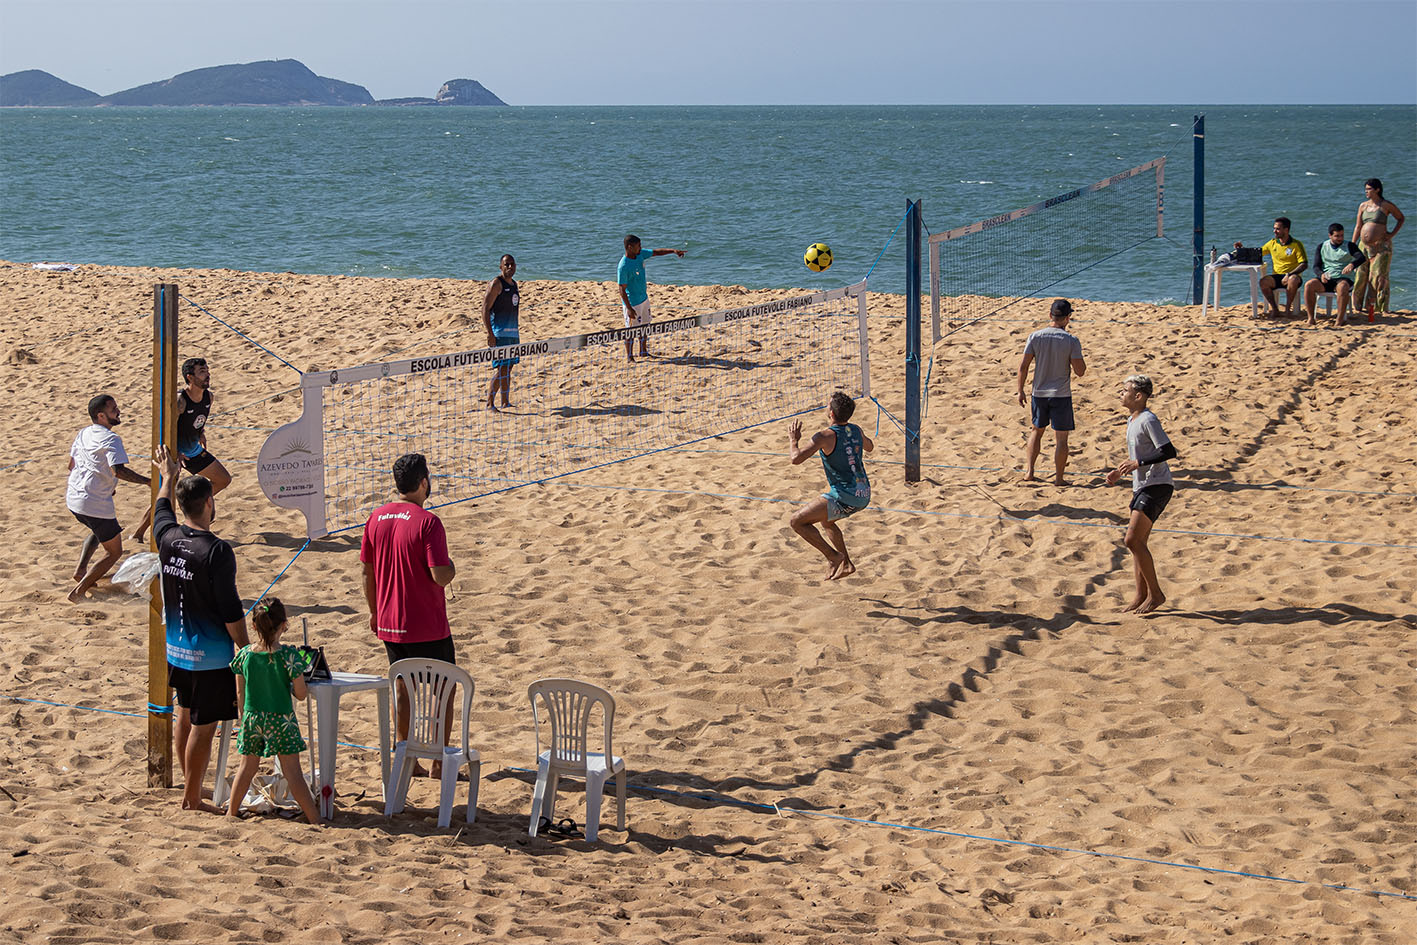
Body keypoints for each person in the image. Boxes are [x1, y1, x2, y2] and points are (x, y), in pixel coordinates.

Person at [152, 443, 248, 813]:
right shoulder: (217, 550)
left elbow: (161, 507)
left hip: (176, 648)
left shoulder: (168, 537)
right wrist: (244, 646)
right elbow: (229, 609)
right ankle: (192, 796)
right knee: (203, 727)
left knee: (184, 714)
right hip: (208, 655)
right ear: (209, 503)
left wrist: (167, 478)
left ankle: (190, 782)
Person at [360, 453, 457, 774]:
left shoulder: (376, 518)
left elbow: (366, 573)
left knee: (404, 689)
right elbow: (439, 575)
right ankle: (440, 763)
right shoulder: (428, 522)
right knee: (444, 690)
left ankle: (406, 757)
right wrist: (452, 568)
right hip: (427, 625)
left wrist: (374, 613)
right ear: (424, 483)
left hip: (389, 623)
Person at [227, 596, 321, 824]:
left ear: (253, 626)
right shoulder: (289, 656)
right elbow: (300, 693)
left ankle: (231, 812)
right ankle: (315, 818)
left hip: (251, 716)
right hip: (281, 718)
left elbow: (241, 693)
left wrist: (243, 719)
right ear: (283, 625)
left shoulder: (244, 655)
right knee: (293, 772)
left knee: (247, 767)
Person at [66, 394, 151, 602]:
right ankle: (78, 591)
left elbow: (71, 465)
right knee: (113, 552)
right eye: (114, 409)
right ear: (101, 416)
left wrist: (101, 484)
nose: (119, 411)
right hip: (93, 503)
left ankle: (81, 569)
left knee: (99, 532)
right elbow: (118, 471)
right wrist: (148, 482)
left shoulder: (84, 433)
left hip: (73, 498)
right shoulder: (112, 439)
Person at [1104, 375, 1178, 615]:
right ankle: (1141, 595)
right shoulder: (1132, 420)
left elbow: (1168, 451)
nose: (1121, 394)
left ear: (1139, 396)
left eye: (1125, 390)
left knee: (1131, 540)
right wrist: (1120, 472)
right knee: (1138, 543)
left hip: (1157, 485)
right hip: (1142, 485)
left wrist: (1139, 463)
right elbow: (1138, 456)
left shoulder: (1148, 419)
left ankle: (1156, 594)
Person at [787, 391, 874, 581]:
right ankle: (847, 564)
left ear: (832, 414)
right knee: (827, 520)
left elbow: (795, 459)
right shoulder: (856, 429)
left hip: (845, 496)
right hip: (864, 494)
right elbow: (870, 447)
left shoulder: (824, 437)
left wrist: (794, 440)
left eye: (828, 406)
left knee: (797, 522)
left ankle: (833, 557)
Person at [1015, 298, 1087, 484]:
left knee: (1036, 431)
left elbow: (1023, 367)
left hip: (1039, 393)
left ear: (1050, 316)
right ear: (1068, 318)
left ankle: (1029, 472)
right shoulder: (1071, 340)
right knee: (1061, 438)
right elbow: (1080, 372)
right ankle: (1059, 479)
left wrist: (1020, 391)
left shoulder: (1035, 336)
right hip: (1060, 395)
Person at [617, 234, 685, 362]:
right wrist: (629, 308)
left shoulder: (640, 254)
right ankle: (629, 357)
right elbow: (621, 289)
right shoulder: (623, 266)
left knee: (645, 326)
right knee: (631, 331)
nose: (641, 248)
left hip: (644, 299)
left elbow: (656, 252)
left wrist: (673, 251)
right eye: (638, 246)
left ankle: (643, 351)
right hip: (632, 302)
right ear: (630, 247)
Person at [176, 357, 233, 495]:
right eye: (202, 371)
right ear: (190, 377)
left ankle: (192, 505)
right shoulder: (180, 400)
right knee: (162, 495)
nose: (208, 375)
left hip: (192, 450)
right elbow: (167, 429)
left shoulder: (209, 397)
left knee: (223, 480)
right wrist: (175, 453)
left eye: (207, 371)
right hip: (174, 452)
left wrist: (200, 433)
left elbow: (197, 419)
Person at [1352, 178, 1404, 317]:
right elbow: (1358, 226)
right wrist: (1352, 245)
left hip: (1381, 246)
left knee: (1378, 277)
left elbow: (1400, 218)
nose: (1366, 192)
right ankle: (1357, 308)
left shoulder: (1386, 205)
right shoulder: (1363, 206)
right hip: (1363, 246)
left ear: (1377, 190)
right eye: (1366, 189)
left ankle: (1379, 308)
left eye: (1369, 189)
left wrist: (1391, 234)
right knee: (1360, 276)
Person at [1304, 224, 1367, 327]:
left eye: (1342, 235)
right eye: (1337, 236)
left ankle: (1340, 319)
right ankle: (1311, 318)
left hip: (1343, 277)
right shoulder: (1322, 246)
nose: (1340, 238)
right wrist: (1321, 275)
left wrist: (1352, 264)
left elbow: (1361, 258)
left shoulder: (1350, 246)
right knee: (1309, 285)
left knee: (1342, 287)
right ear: (1330, 236)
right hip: (1327, 277)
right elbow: (1316, 266)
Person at [483, 253, 521, 411]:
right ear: (501, 267)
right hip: (500, 334)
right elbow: (485, 308)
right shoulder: (496, 284)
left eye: (512, 264)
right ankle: (489, 403)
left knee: (509, 367)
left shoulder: (514, 284)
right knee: (502, 369)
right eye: (507, 264)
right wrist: (490, 334)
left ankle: (505, 402)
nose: (510, 267)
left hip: (513, 333)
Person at [1259, 217, 1308, 317]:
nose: (1275, 231)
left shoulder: (1296, 244)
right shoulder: (1272, 243)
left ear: (1286, 230)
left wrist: (1289, 274)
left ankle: (1287, 309)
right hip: (1277, 276)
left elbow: (1304, 264)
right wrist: (1242, 249)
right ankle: (1275, 309)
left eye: (1277, 229)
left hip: (1293, 276)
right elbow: (1258, 253)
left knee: (1293, 279)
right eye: (1274, 228)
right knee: (1263, 282)